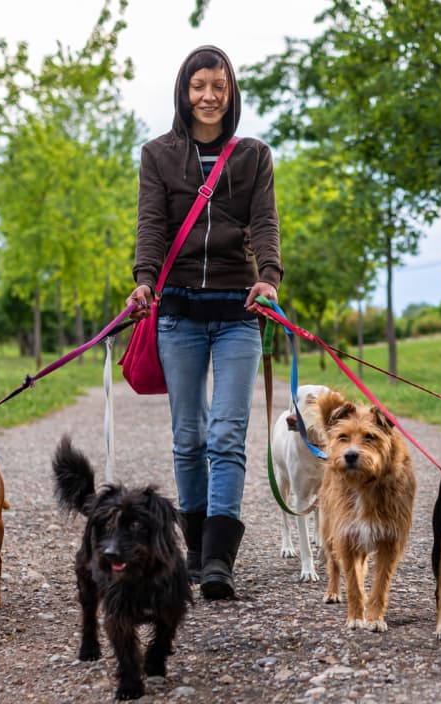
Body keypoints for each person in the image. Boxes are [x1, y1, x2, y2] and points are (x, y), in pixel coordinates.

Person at [126, 45, 281, 601]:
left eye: (219, 86)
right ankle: (191, 552)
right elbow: (151, 225)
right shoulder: (158, 155)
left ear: (231, 91)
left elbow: (265, 224)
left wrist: (269, 278)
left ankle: (217, 559)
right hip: (178, 313)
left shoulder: (253, 156)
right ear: (183, 91)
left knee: (227, 434)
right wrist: (145, 279)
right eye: (199, 86)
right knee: (189, 437)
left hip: (238, 313)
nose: (209, 96)